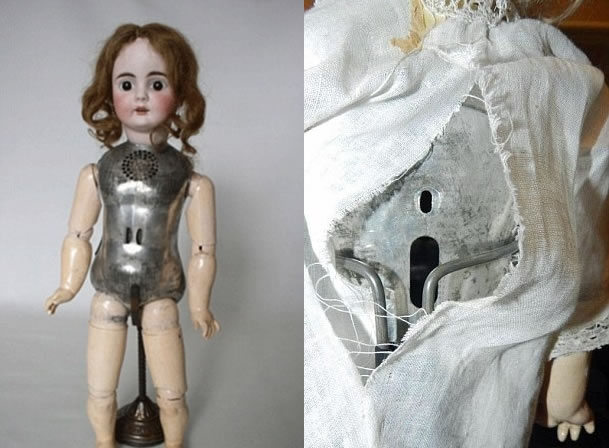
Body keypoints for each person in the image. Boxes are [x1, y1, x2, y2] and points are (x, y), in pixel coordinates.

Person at [44, 23, 219, 448]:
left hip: (161, 291)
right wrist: (68, 284)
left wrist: (199, 305)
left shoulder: (190, 180)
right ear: (108, 94)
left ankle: (174, 442)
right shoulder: (98, 172)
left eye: (156, 84)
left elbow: (203, 249)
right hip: (109, 287)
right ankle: (104, 441)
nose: (140, 96)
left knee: (172, 392)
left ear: (181, 93)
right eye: (126, 84)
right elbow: (78, 234)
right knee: (100, 388)